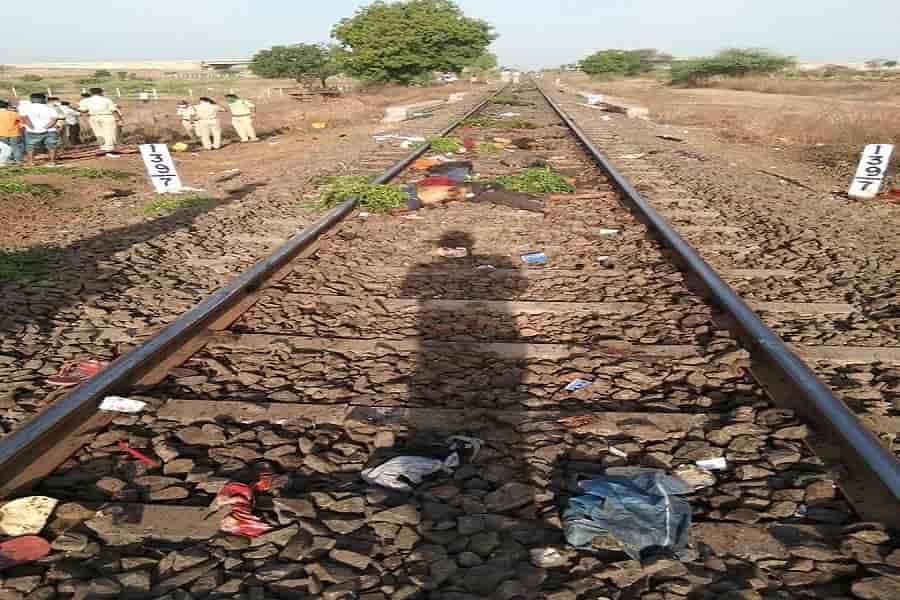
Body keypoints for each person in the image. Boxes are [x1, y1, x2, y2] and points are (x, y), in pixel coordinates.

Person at [78, 87, 123, 157]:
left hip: (93, 117)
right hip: (107, 116)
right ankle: (109, 150)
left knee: (98, 133)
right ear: (101, 92)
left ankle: (102, 148)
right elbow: (113, 110)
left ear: (91, 93)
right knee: (109, 133)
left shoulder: (86, 101)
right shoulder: (106, 100)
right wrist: (119, 119)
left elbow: (83, 110)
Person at [19, 93, 61, 166]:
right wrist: (45, 127)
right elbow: (54, 120)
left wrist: (32, 127)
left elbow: (24, 118)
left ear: (31, 99)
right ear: (43, 99)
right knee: (51, 146)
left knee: (30, 147)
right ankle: (52, 161)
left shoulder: (25, 108)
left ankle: (31, 162)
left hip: (31, 131)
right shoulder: (50, 108)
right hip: (49, 131)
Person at [0, 99, 29, 165]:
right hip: (15, 133)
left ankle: (7, 160)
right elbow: (21, 123)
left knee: (4, 148)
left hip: (1, 134)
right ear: (7, 106)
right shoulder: (14, 113)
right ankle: (18, 160)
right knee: (16, 147)